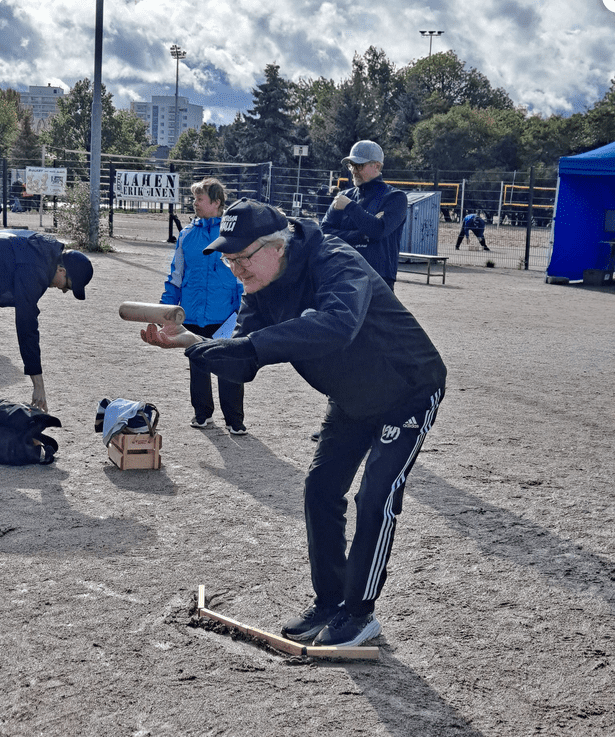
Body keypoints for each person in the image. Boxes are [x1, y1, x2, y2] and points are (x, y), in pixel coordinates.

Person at [140, 199, 447, 648]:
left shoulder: (336, 260)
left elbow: (336, 325)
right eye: (228, 260)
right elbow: (243, 358)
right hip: (351, 396)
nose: (236, 269)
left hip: (408, 389)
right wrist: (193, 344)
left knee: (376, 494)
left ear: (275, 247)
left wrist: (246, 347)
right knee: (320, 490)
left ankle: (359, 615)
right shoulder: (259, 288)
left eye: (242, 257)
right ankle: (329, 602)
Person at [160, 178, 246, 435]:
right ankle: (202, 413)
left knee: (229, 366)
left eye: (200, 198)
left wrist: (242, 312)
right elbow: (175, 277)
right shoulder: (186, 235)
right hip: (193, 313)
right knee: (197, 364)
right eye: (194, 198)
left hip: (225, 316)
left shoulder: (232, 237)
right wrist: (165, 311)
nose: (194, 203)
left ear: (217, 202)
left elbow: (242, 275)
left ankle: (234, 419)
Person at [0, 230, 93, 412]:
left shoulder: (42, 250)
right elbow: (27, 327)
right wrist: (39, 384)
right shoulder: (35, 269)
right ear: (61, 270)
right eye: (67, 285)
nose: (64, 290)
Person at [321, 140, 407, 292]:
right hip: (343, 273)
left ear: (377, 166)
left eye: (359, 165)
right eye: (351, 165)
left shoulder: (395, 197)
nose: (353, 170)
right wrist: (361, 235)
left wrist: (349, 207)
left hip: (378, 278)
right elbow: (324, 233)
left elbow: (378, 230)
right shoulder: (344, 196)